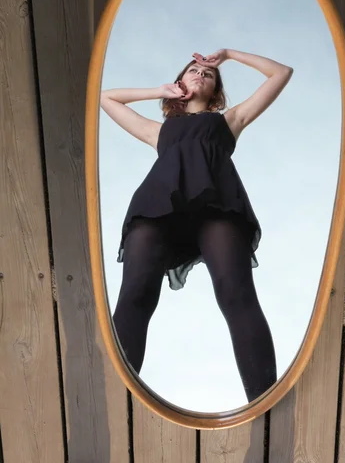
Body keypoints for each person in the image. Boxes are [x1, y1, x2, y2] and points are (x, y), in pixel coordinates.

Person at [100, 48, 293, 403]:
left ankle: (265, 405)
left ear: (217, 90)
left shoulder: (229, 120)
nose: (201, 73)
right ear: (179, 83)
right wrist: (159, 91)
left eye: (208, 73)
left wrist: (230, 56)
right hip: (157, 208)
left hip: (217, 206)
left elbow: (281, 72)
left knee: (237, 296)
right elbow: (106, 98)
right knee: (136, 296)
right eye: (193, 70)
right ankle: (111, 402)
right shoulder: (158, 131)